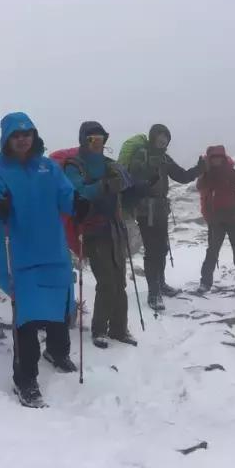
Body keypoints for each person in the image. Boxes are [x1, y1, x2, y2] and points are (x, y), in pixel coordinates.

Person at [0, 112, 88, 408]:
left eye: (27, 134)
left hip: (53, 251)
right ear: (7, 139)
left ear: (34, 136)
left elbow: (65, 195)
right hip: (21, 255)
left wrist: (78, 204)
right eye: (16, 135)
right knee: (27, 319)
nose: (22, 139)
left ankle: (58, 353)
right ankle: (26, 379)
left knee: (60, 307)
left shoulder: (48, 168)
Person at [64, 121, 153, 349]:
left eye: (101, 138)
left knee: (120, 281)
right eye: (92, 138)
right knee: (107, 281)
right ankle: (100, 330)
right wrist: (104, 186)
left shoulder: (110, 164)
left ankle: (119, 328)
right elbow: (77, 191)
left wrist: (140, 188)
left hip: (115, 227)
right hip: (92, 229)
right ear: (84, 140)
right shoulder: (75, 166)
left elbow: (128, 186)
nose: (97, 143)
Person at [128, 124, 205, 311]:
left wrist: (199, 169)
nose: (163, 141)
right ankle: (153, 293)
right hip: (146, 210)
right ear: (153, 137)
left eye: (166, 139)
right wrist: (148, 181)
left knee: (162, 248)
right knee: (152, 251)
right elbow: (132, 179)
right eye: (160, 137)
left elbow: (182, 176)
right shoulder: (142, 155)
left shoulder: (164, 158)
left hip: (161, 209)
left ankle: (161, 284)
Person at [197, 145, 235, 291]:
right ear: (210, 159)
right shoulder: (206, 174)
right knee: (213, 251)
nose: (217, 161)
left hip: (233, 217)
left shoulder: (229, 172)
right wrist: (201, 170)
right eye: (214, 158)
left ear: (223, 159)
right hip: (216, 220)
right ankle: (205, 282)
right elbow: (200, 186)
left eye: (219, 158)